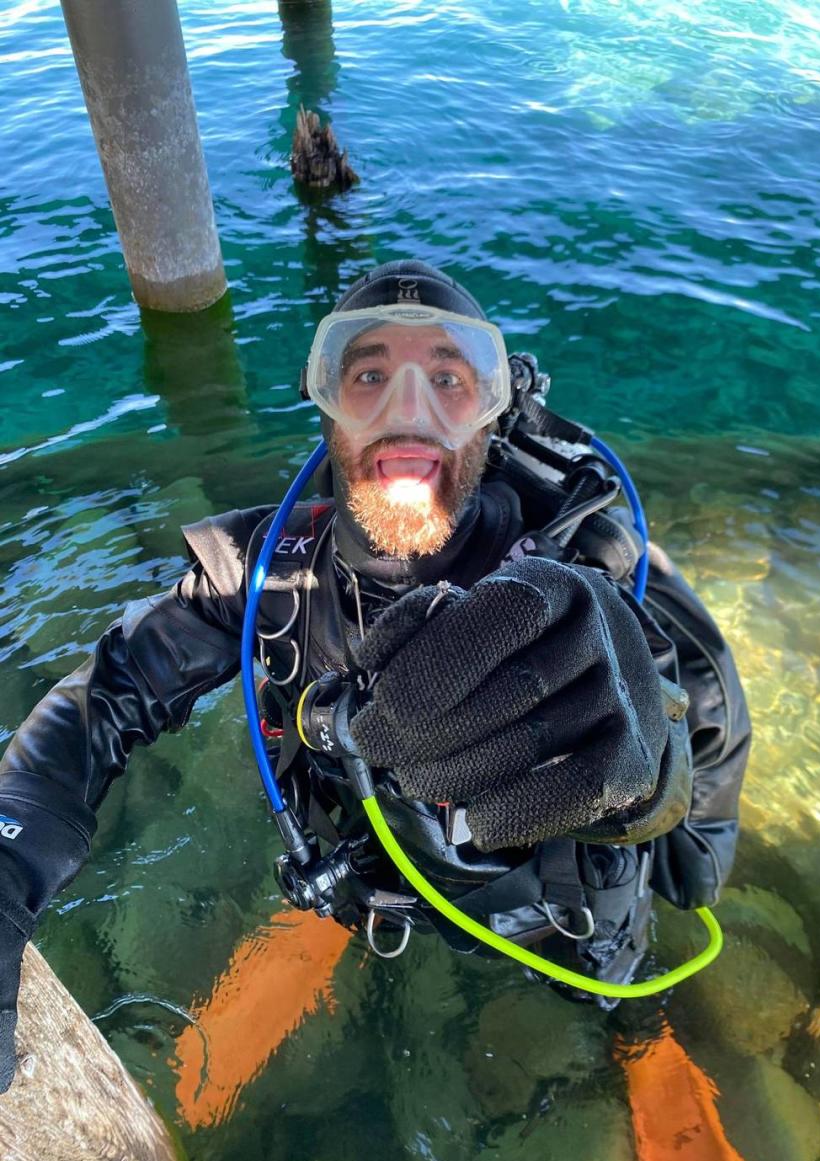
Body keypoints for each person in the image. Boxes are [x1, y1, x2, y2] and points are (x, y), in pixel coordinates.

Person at [0, 260, 751, 1094]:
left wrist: (656, 784)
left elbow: (703, 728)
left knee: (602, 990)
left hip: (549, 913)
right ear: (326, 405)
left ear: (493, 415)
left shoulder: (591, 572)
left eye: (447, 378)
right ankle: (346, 930)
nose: (408, 410)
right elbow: (104, 695)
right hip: (369, 874)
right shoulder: (265, 578)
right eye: (368, 376)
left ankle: (641, 1049)